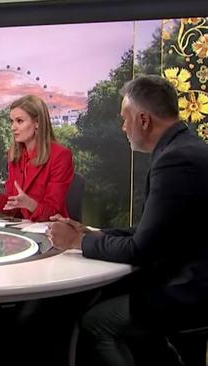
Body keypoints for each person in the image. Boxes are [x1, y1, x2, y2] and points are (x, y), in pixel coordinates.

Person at [48, 75, 208, 366]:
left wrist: (77, 241)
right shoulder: (187, 147)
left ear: (143, 119)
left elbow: (141, 249)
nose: (123, 128)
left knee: (96, 323)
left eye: (125, 119)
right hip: (191, 279)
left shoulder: (175, 161)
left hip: (191, 291)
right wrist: (92, 233)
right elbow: (150, 231)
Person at [0, 95, 74, 221]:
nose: (13, 127)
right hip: (26, 232)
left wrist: (29, 204)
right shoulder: (14, 155)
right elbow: (12, 208)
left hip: (52, 233)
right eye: (12, 121)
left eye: (19, 121)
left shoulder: (60, 156)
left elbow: (53, 213)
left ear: (37, 122)